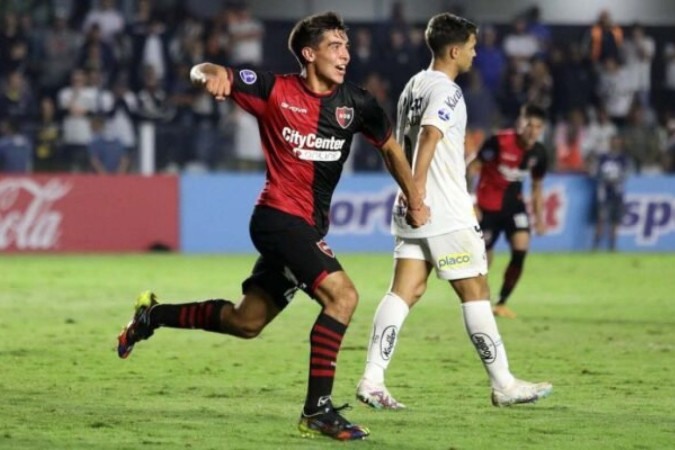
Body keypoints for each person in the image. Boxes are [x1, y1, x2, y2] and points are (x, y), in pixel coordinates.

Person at [116, 11, 429, 442]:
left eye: (346, 46)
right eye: (335, 46)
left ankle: (151, 316)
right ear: (309, 53)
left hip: (307, 227)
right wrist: (207, 75)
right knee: (343, 297)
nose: (345, 55)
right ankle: (317, 411)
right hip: (278, 219)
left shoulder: (357, 103)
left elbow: (391, 148)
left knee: (246, 322)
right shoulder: (274, 89)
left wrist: (414, 196)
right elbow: (206, 69)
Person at [355, 13, 552, 411]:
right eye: (473, 47)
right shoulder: (448, 91)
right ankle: (504, 384)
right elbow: (430, 136)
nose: (476, 54)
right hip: (441, 208)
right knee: (476, 291)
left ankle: (371, 379)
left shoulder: (413, 85)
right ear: (455, 50)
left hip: (415, 208)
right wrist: (418, 193)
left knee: (405, 290)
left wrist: (410, 196)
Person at [469, 104, 549, 319]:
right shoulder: (499, 142)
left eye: (538, 127)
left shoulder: (539, 153)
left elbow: (537, 186)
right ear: (521, 123)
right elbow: (472, 167)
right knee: (484, 257)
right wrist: (471, 201)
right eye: (529, 125)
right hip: (487, 206)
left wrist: (540, 218)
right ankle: (480, 301)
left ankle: (502, 302)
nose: (532, 131)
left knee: (521, 248)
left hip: (514, 206)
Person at [592, 135, 629, 251]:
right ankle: (596, 245)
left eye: (618, 142)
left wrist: (614, 179)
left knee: (615, 221)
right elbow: (596, 172)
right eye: (614, 142)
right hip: (603, 194)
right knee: (601, 219)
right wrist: (606, 179)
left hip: (617, 193)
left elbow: (625, 175)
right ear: (610, 143)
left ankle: (613, 246)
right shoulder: (603, 157)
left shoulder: (623, 158)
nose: (615, 145)